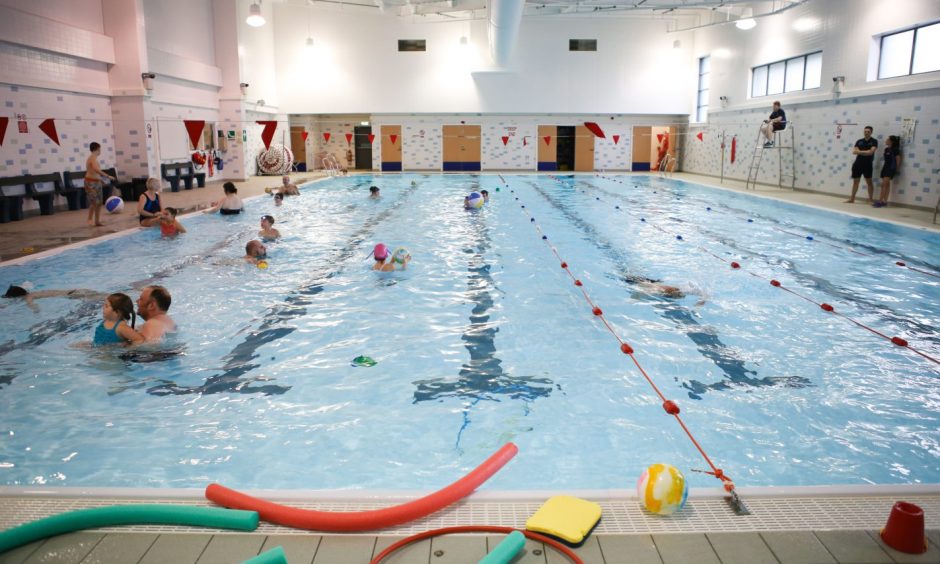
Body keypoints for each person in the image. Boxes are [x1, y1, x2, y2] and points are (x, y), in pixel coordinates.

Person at [84, 141, 116, 227]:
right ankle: (90, 219)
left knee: (99, 203)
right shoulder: (92, 158)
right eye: (100, 149)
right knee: (94, 202)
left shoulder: (94, 158)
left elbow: (95, 172)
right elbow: (96, 170)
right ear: (97, 149)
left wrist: (100, 179)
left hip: (96, 182)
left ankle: (97, 221)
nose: (100, 151)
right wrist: (107, 176)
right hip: (90, 183)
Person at [846, 126, 878, 204]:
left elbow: (871, 152)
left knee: (869, 182)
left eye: (868, 131)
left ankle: (870, 199)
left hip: (867, 165)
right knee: (855, 182)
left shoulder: (874, 141)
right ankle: (852, 199)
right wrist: (866, 152)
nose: (866, 133)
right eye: (865, 131)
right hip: (857, 164)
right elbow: (854, 151)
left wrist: (860, 151)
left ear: (871, 132)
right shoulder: (859, 141)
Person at [874, 135, 901, 208]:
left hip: (891, 168)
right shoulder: (886, 149)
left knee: (883, 185)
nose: (886, 140)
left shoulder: (895, 150)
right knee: (887, 185)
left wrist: (896, 169)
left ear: (891, 141)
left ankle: (880, 201)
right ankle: (884, 201)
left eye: (887, 139)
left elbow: (898, 159)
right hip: (885, 167)